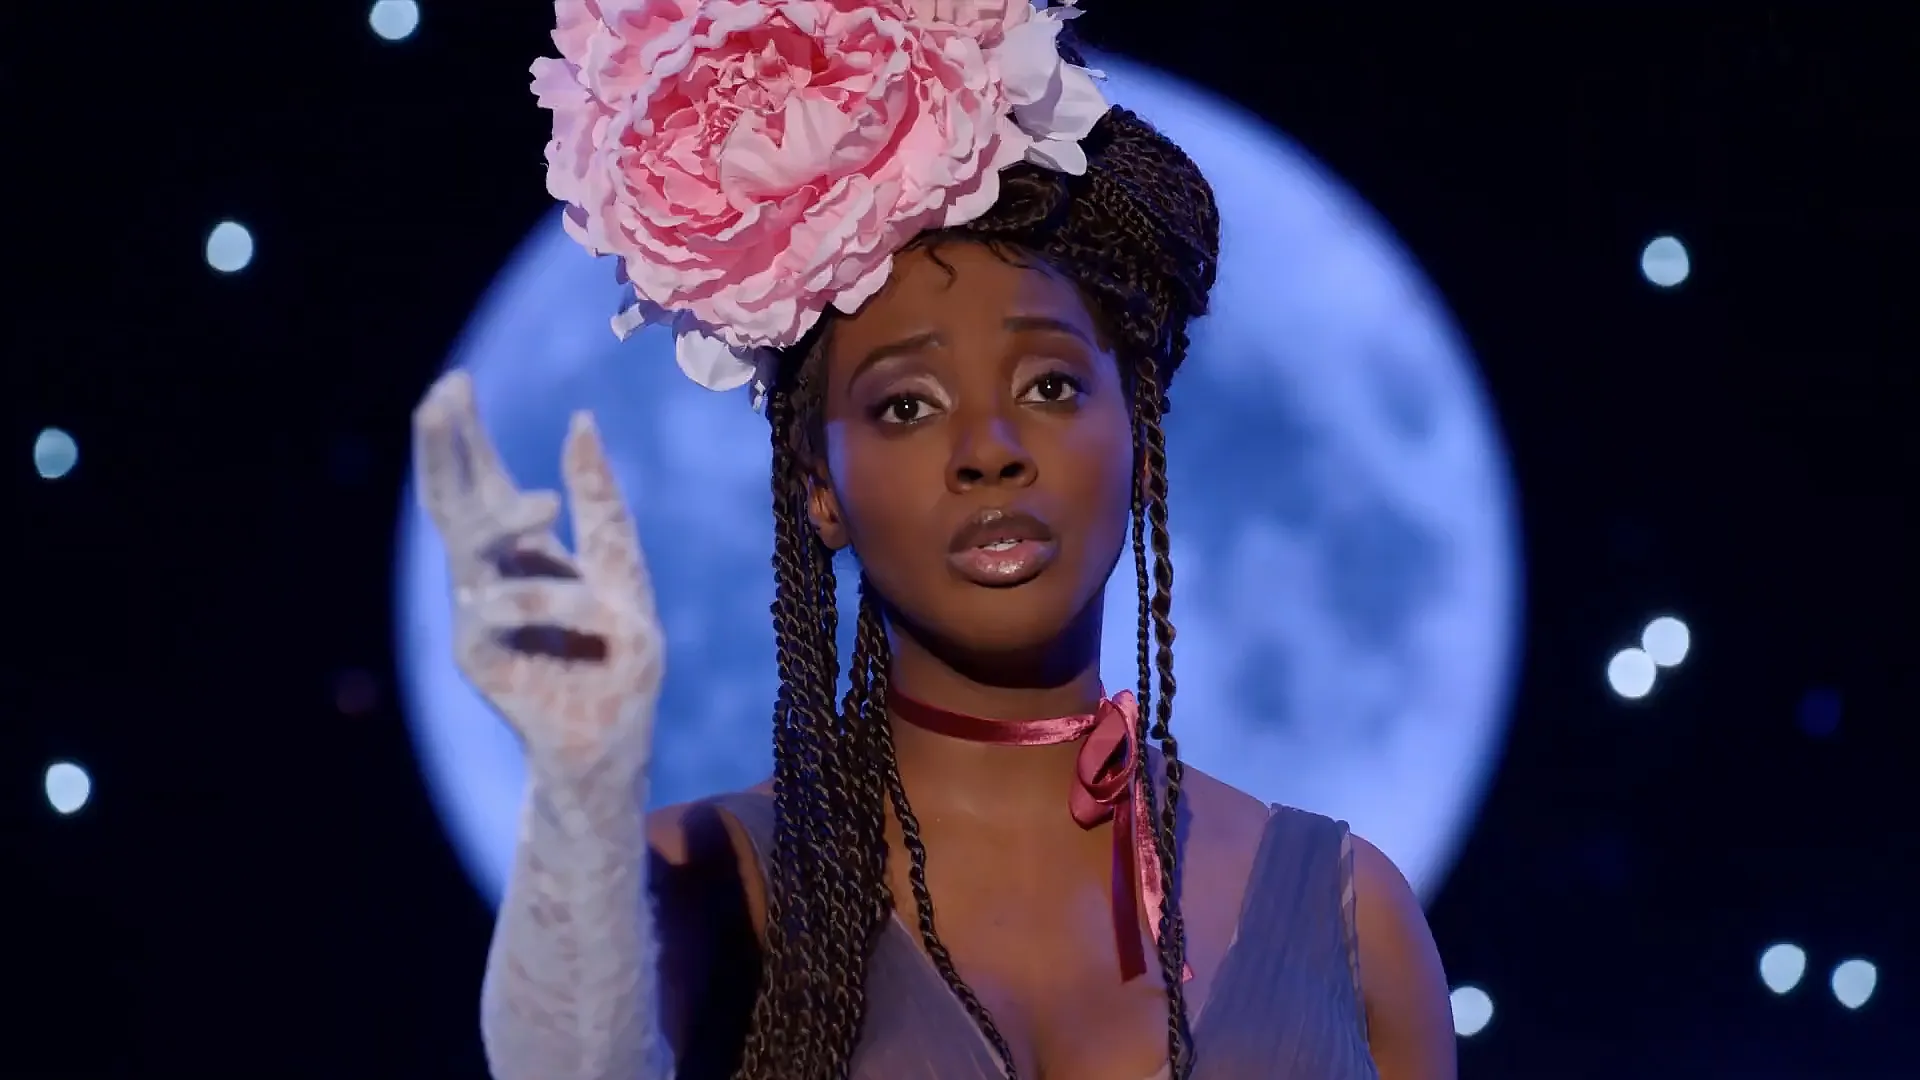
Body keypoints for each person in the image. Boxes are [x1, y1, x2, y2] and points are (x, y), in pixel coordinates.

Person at [412, 3, 1456, 1078]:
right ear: (820, 488)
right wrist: (580, 787)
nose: (989, 451)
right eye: (906, 406)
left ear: (1140, 439)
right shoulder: (702, 884)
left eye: (1050, 387)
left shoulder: (1350, 918)